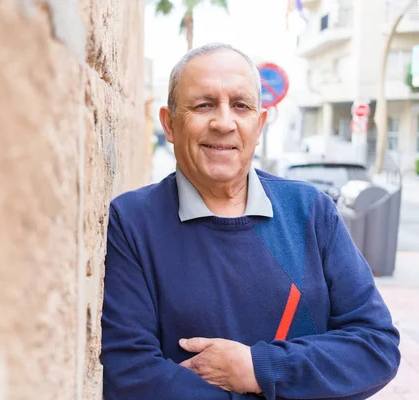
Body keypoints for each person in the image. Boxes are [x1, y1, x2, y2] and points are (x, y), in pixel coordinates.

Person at [101, 43, 400, 400]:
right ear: (169, 124)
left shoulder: (310, 211)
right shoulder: (132, 222)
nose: (224, 122)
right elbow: (131, 375)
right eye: (204, 105)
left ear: (258, 126)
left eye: (240, 106)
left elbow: (375, 347)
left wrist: (258, 368)